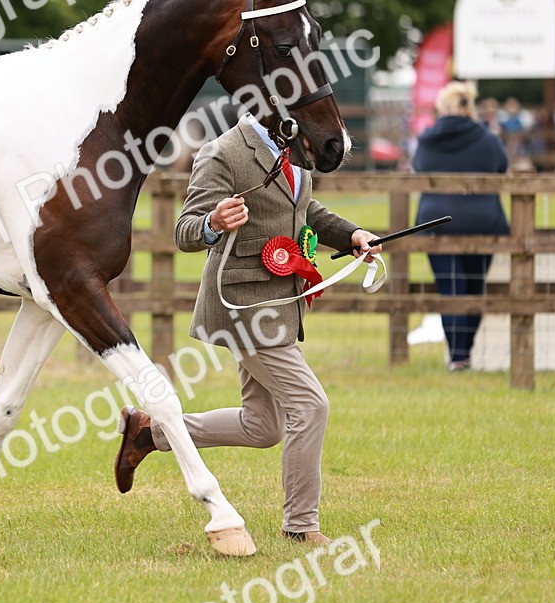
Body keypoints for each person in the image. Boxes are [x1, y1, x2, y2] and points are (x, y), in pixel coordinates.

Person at [113, 112, 382, 546]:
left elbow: (302, 209)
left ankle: (150, 432)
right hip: (243, 307)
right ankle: (300, 525)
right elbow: (185, 231)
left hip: (280, 305)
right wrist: (212, 224)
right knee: (310, 405)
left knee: (263, 427)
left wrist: (350, 234)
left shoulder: (297, 144)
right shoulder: (222, 153)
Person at [412, 81, 509, 370]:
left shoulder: (428, 139)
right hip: (481, 221)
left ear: (443, 108)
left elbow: (419, 166)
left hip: (437, 221)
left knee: (450, 288)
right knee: (474, 288)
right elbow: (501, 166)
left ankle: (457, 356)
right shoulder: (487, 138)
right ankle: (465, 351)